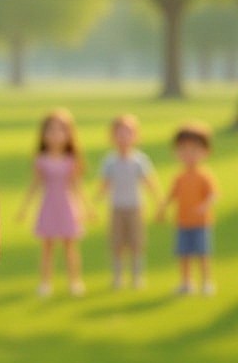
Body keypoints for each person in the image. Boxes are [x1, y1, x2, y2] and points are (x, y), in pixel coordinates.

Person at [16, 107, 90, 297]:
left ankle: (75, 281)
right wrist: (24, 208)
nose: (55, 135)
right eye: (51, 130)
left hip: (66, 206)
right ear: (43, 134)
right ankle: (45, 283)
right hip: (49, 206)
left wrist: (86, 208)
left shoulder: (71, 160)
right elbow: (35, 185)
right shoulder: (41, 160)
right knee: (47, 248)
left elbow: (76, 186)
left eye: (60, 130)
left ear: (68, 134)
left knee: (70, 247)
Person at [97, 114, 159, 289]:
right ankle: (118, 276)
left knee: (136, 243)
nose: (124, 137)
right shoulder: (110, 161)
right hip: (116, 207)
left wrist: (159, 201)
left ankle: (136, 276)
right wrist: (93, 205)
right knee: (117, 243)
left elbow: (149, 182)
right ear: (112, 136)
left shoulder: (140, 160)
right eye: (120, 133)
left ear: (136, 136)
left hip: (135, 207)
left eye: (128, 132)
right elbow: (104, 185)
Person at [157, 122, 218, 295]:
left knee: (203, 253)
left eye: (194, 150)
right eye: (183, 149)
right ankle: (186, 282)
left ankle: (206, 282)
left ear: (206, 152)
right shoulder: (180, 177)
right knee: (184, 254)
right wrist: (162, 209)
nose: (188, 154)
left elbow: (213, 195)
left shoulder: (204, 175)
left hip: (201, 223)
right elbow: (171, 195)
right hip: (182, 222)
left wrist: (203, 207)